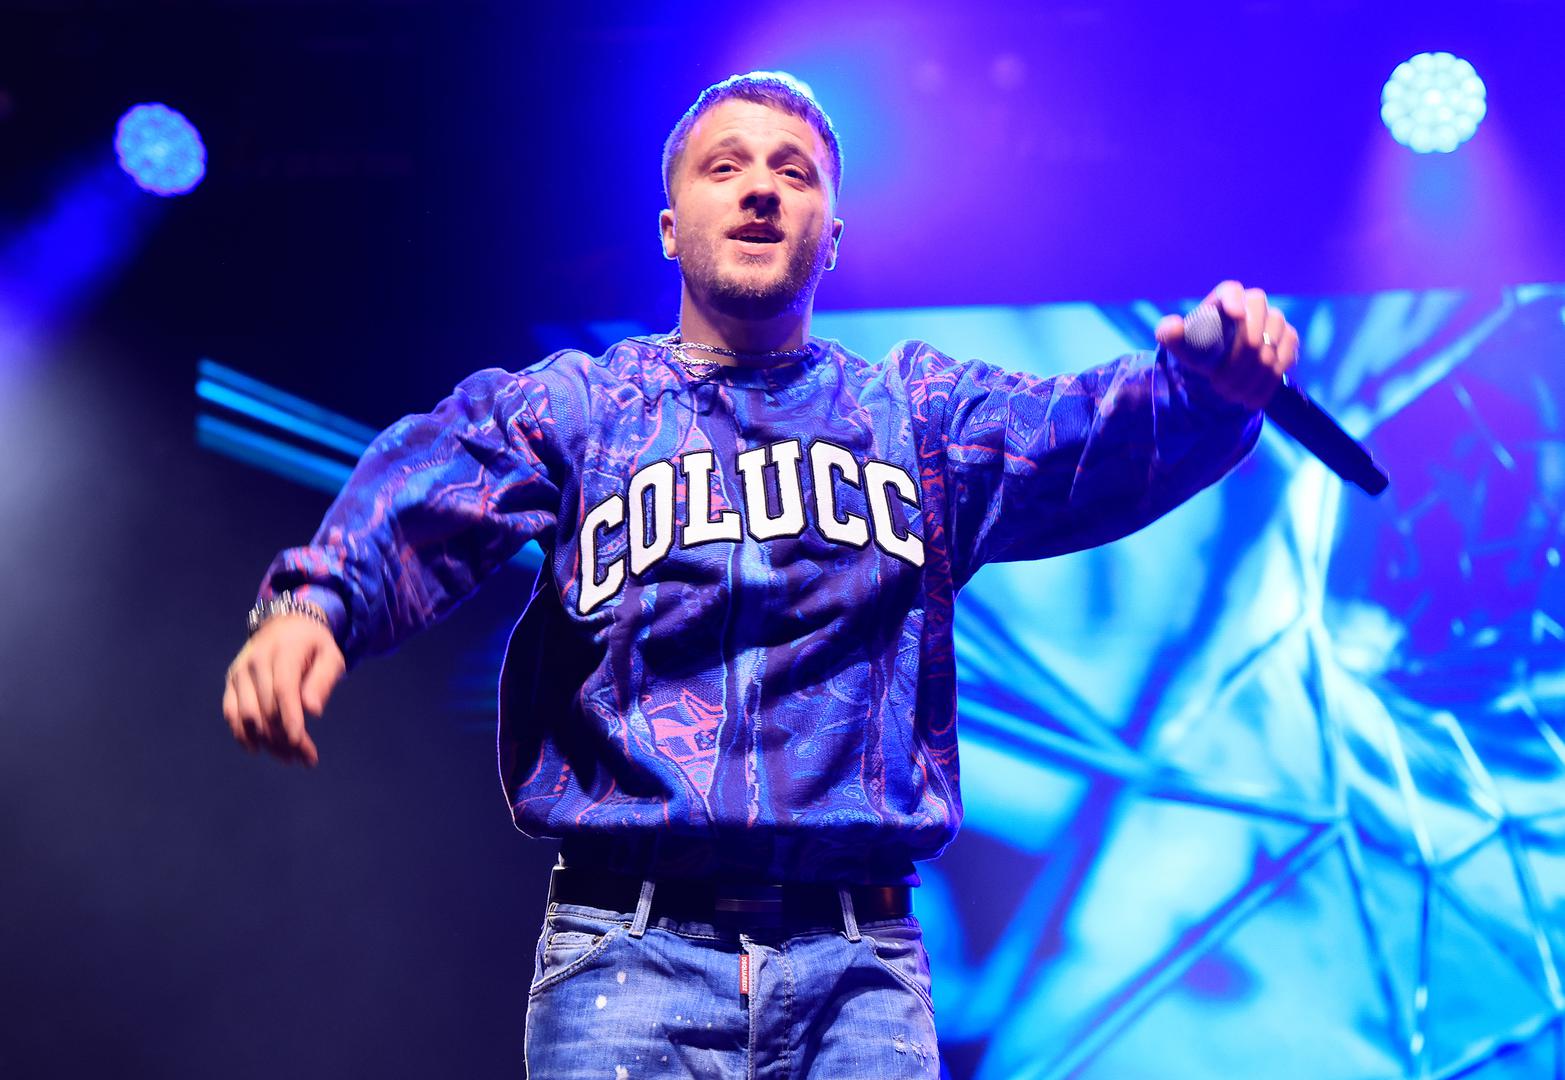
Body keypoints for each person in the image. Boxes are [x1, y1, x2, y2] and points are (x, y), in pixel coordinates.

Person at [222, 71, 1297, 1077]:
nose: (760, 190)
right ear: (669, 226)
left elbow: (1075, 431)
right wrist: (315, 604)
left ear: (831, 236)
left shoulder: (916, 416)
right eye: (725, 166)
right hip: (625, 954)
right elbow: (440, 478)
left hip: (859, 968)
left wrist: (1205, 387)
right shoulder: (581, 408)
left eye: (794, 172)